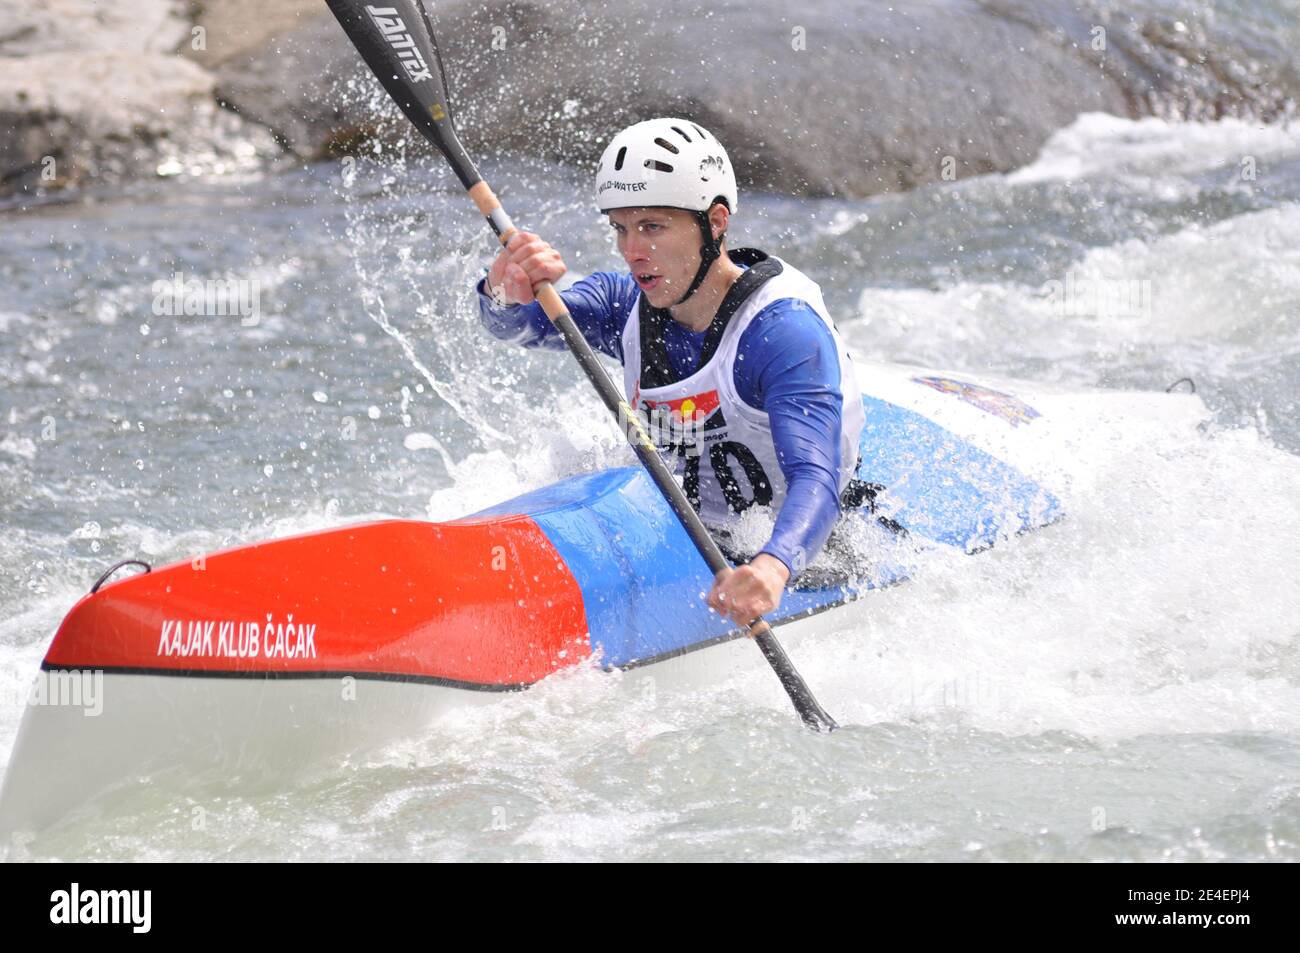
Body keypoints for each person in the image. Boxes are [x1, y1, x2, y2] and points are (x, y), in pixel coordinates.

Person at [474, 117, 868, 626]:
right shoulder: (623, 305)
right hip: (683, 537)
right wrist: (504, 289)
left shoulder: (781, 332)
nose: (631, 251)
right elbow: (519, 327)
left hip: (810, 549)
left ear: (716, 222)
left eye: (653, 226)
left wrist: (773, 567)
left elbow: (816, 475)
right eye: (621, 227)